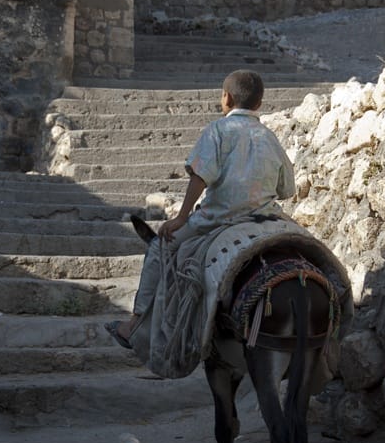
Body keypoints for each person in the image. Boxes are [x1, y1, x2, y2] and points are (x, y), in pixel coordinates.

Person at [105, 69, 295, 348]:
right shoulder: (269, 137)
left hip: (217, 220)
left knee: (160, 248)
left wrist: (182, 217)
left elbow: (200, 176)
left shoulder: (217, 130)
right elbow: (286, 190)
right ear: (259, 104)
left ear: (226, 98)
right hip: (265, 220)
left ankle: (133, 326)